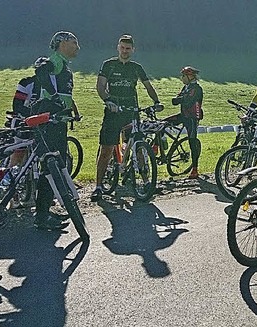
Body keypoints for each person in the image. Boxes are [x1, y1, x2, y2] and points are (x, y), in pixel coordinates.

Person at [91, 34, 161, 201]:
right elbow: (100, 86)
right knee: (106, 149)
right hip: (113, 111)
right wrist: (108, 100)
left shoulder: (136, 67)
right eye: (122, 48)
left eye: (128, 48)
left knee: (139, 148)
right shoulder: (108, 65)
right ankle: (99, 186)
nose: (125, 51)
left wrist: (157, 101)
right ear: (118, 48)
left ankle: (145, 182)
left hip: (132, 111)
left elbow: (148, 86)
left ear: (133, 50)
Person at [32, 31, 80, 230]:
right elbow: (41, 72)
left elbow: (64, 92)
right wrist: (54, 98)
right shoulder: (56, 60)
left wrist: (73, 108)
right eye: (74, 42)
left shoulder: (64, 65)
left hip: (58, 119)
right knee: (50, 165)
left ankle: (46, 210)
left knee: (57, 164)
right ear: (62, 43)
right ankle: (41, 215)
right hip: (49, 118)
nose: (78, 47)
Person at [171, 66, 204, 179]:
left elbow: (188, 101)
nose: (182, 78)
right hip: (184, 115)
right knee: (163, 123)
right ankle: (157, 146)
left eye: (183, 76)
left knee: (192, 142)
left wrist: (180, 99)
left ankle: (195, 169)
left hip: (193, 118)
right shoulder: (186, 87)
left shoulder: (197, 88)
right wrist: (180, 99)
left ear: (190, 77)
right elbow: (176, 100)